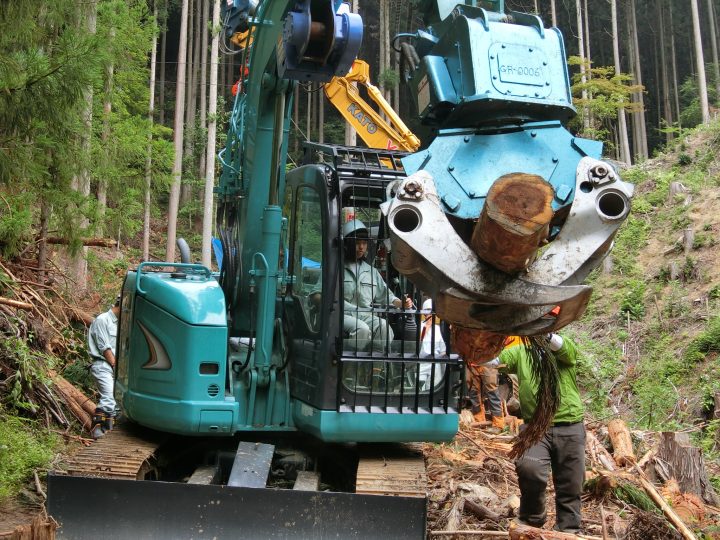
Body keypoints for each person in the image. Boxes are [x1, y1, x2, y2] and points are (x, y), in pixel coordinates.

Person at [499, 332, 585, 534]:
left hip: (569, 425)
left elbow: (566, 350)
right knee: (529, 468)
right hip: (535, 428)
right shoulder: (521, 352)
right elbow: (497, 360)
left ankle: (568, 529)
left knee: (571, 482)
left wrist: (543, 332)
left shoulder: (564, 348)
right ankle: (532, 519)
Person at [342, 219, 412, 352]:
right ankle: (351, 367)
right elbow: (317, 295)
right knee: (361, 328)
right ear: (347, 244)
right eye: (357, 243)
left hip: (364, 315)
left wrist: (401, 303)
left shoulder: (371, 272)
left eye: (364, 243)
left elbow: (387, 296)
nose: (361, 247)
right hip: (342, 315)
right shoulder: (336, 269)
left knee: (384, 327)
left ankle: (375, 368)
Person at [87, 294, 120, 439]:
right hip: (103, 365)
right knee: (109, 398)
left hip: (117, 368)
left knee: (119, 402)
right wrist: (114, 364)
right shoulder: (102, 320)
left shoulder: (121, 324)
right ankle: (98, 429)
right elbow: (104, 347)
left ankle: (111, 432)